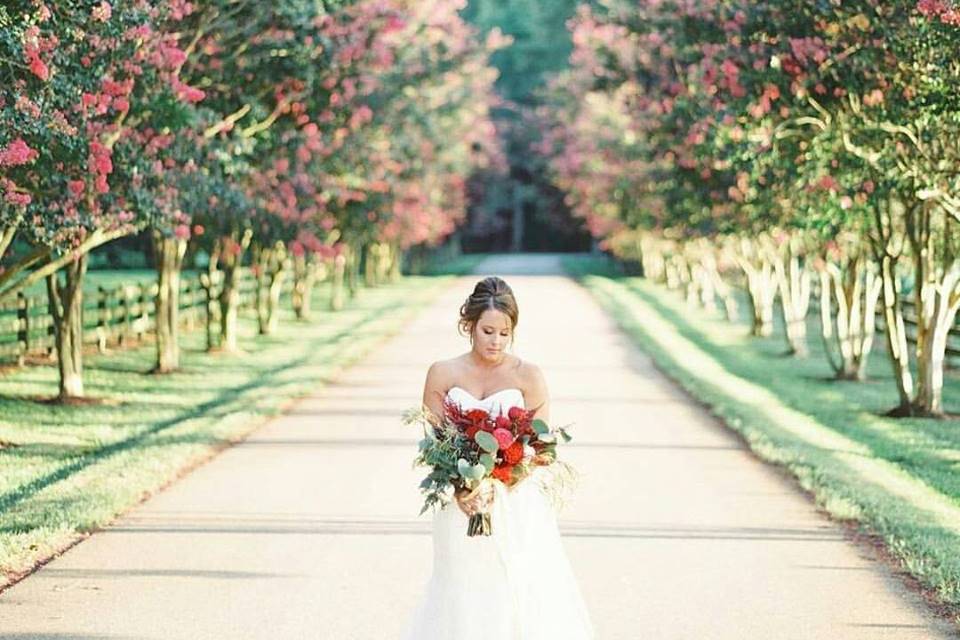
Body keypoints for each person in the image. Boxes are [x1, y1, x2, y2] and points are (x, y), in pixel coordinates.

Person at [402, 276, 594, 640]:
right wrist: (463, 489)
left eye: (505, 333)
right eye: (488, 331)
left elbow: (540, 448)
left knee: (514, 588)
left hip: (514, 502)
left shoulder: (529, 375)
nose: (496, 341)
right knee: (460, 586)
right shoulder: (442, 373)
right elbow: (435, 442)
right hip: (458, 504)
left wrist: (495, 482)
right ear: (469, 325)